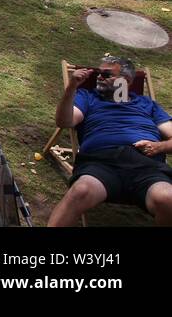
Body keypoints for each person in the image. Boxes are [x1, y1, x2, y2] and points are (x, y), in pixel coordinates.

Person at [47, 55, 172, 226]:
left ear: (126, 81)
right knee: (80, 191)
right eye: (98, 73)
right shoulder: (88, 97)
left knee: (168, 199)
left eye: (106, 75)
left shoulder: (147, 104)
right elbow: (64, 121)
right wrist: (71, 88)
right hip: (101, 162)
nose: (99, 77)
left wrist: (159, 147)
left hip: (146, 164)